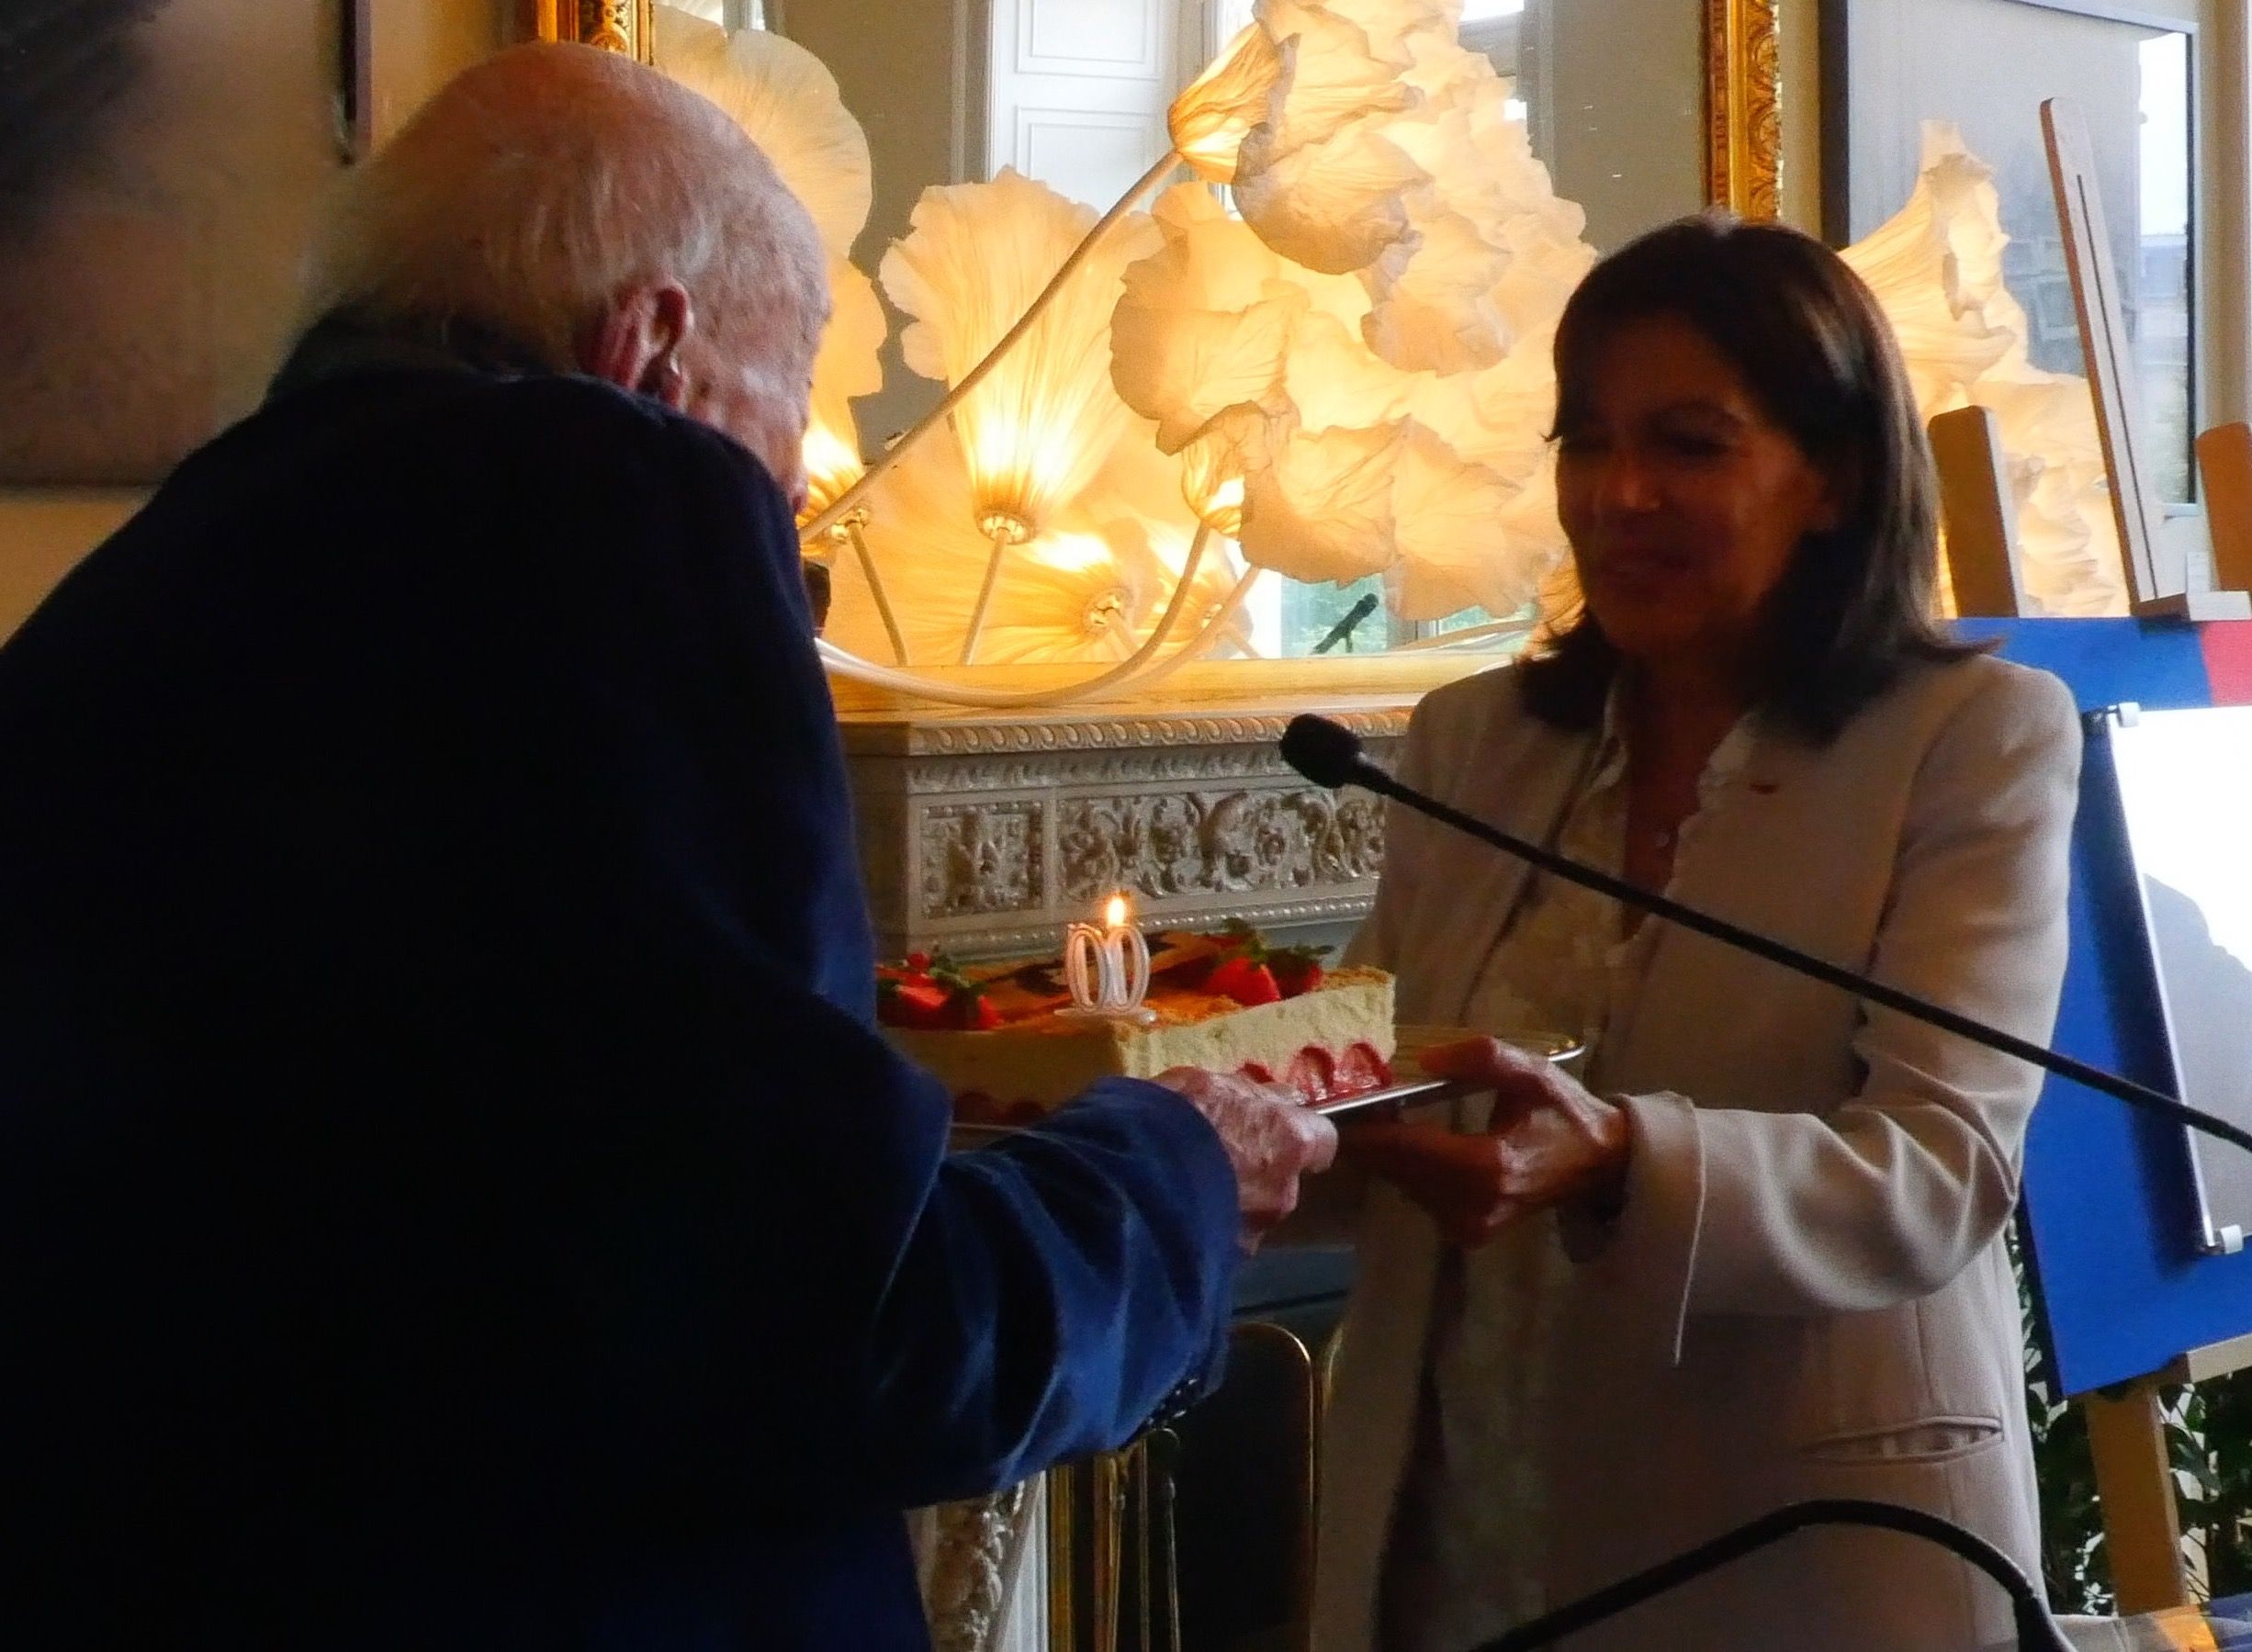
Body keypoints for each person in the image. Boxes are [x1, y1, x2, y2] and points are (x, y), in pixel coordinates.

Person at [0, 43, 1333, 1650]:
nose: (786, 508)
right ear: (650, 347)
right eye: (786, 414)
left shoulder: (137, 591)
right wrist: (1178, 1168)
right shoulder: (601, 509)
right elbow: (843, 1332)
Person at [1312, 216, 2080, 1651]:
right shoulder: (1473, 741)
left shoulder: (1970, 740)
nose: (1621, 495)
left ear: (1833, 478)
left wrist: (1619, 1157)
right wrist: (1198, 1109)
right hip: (1469, 1534)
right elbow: (1381, 1073)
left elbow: (1939, 1173)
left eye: (1690, 445)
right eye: (1587, 443)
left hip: (1805, 1557)